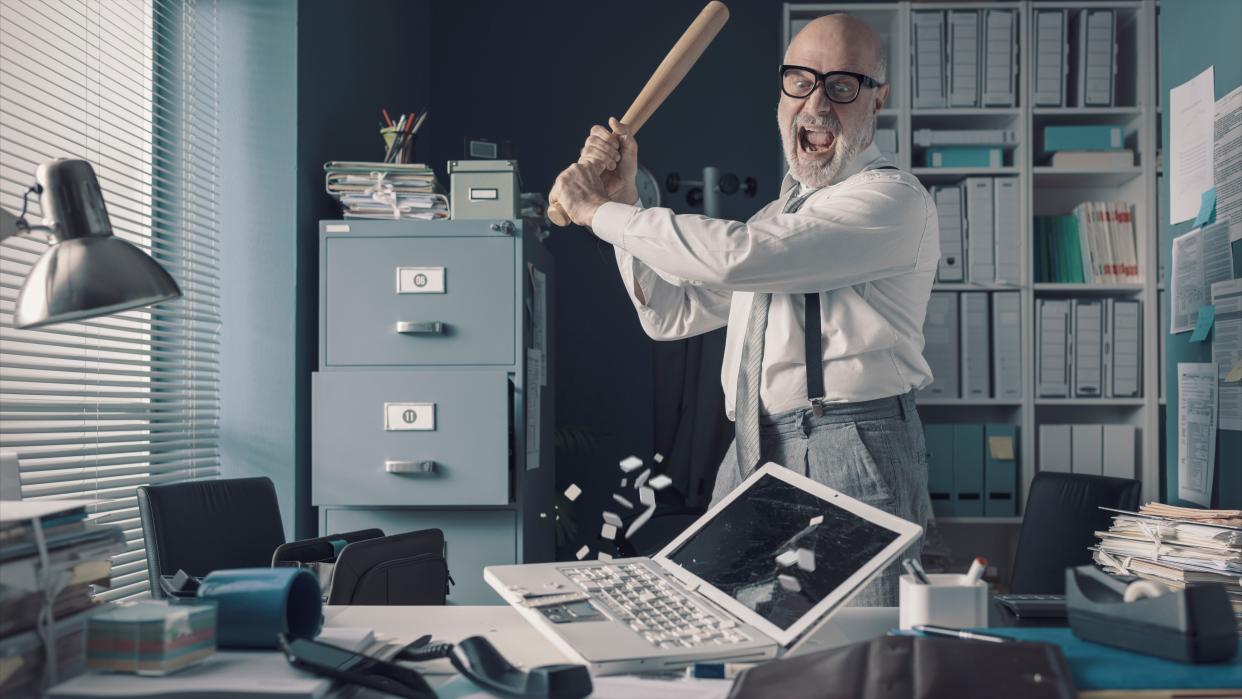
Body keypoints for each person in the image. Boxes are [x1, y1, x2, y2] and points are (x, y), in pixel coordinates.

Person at [550, 14, 939, 606]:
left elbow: (735, 259)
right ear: (781, 94)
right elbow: (672, 314)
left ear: (876, 98)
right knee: (723, 624)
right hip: (754, 444)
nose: (817, 105)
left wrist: (596, 214)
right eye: (801, 82)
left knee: (858, 641)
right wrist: (622, 198)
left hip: (850, 441)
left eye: (841, 86)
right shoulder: (777, 220)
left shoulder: (892, 200)